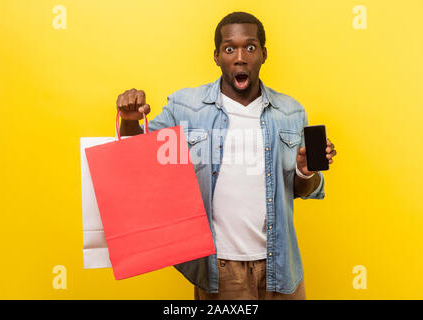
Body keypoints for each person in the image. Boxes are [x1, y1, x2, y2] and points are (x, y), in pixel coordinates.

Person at [115, 11, 337, 300]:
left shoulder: (291, 112)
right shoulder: (185, 107)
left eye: (250, 47)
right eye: (230, 48)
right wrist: (130, 121)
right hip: (219, 269)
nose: (240, 57)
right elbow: (136, 162)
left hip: (282, 267)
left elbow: (300, 189)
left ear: (264, 54)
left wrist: (305, 171)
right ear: (217, 56)